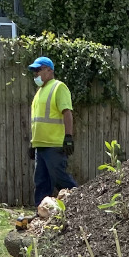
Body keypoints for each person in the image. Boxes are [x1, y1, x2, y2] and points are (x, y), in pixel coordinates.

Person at [28, 56, 77, 208]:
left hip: (54, 145)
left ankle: (80, 203)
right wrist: (33, 143)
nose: (36, 74)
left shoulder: (58, 87)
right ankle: (41, 213)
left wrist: (68, 137)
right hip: (40, 145)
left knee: (60, 179)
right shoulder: (40, 91)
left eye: (39, 70)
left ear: (49, 70)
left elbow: (67, 112)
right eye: (34, 71)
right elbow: (37, 121)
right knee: (41, 182)